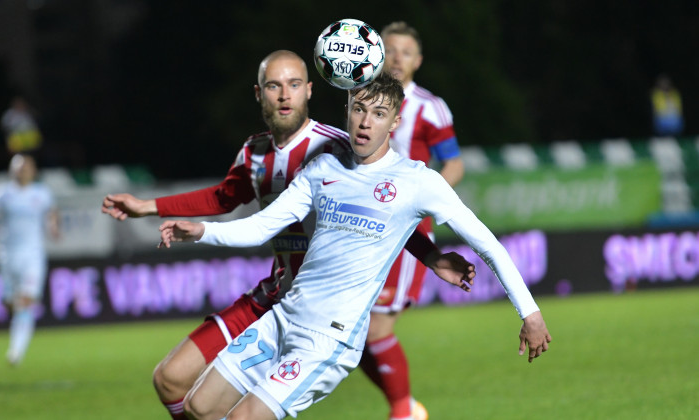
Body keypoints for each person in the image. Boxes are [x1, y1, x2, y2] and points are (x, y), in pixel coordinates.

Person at [101, 50, 474, 420]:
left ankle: (403, 409)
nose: (284, 95)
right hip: (273, 294)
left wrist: (430, 257)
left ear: (309, 90)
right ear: (259, 93)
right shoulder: (255, 152)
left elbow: (384, 209)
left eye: (293, 85)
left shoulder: (335, 147)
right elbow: (222, 198)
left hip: (316, 307)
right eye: (274, 86)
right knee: (170, 380)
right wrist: (147, 206)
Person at [158, 72, 552, 420]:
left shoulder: (418, 181)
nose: (365, 123)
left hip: (328, 339)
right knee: (199, 407)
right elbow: (261, 227)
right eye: (359, 109)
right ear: (347, 109)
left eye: (379, 114)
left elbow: (488, 245)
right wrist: (202, 231)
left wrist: (530, 315)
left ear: (395, 122)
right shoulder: (323, 169)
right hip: (283, 318)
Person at [357, 21, 466, 420]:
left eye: (406, 51)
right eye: (390, 49)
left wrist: (425, 199)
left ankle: (403, 411)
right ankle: (406, 407)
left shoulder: (429, 107)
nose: (397, 57)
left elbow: (454, 163)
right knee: (348, 335)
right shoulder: (360, 99)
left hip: (405, 230)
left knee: (377, 329)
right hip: (359, 226)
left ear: (418, 61)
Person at [0, 154, 59, 366]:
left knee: (26, 300)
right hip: (6, 255)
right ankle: (18, 332)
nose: (22, 171)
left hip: (32, 254)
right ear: (11, 170)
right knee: (11, 303)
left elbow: (52, 212)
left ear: (33, 171)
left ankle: (16, 351)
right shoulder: (3, 193)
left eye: (26, 168)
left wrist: (53, 226)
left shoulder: (41, 193)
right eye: (18, 168)